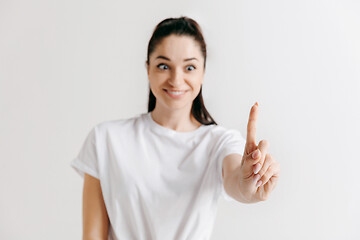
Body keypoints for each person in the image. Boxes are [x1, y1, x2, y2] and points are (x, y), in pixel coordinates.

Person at [70, 16, 280, 240]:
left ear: (203, 73)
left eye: (189, 67)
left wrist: (249, 182)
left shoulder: (219, 142)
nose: (176, 80)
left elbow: (236, 182)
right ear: (148, 69)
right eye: (163, 66)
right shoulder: (105, 139)